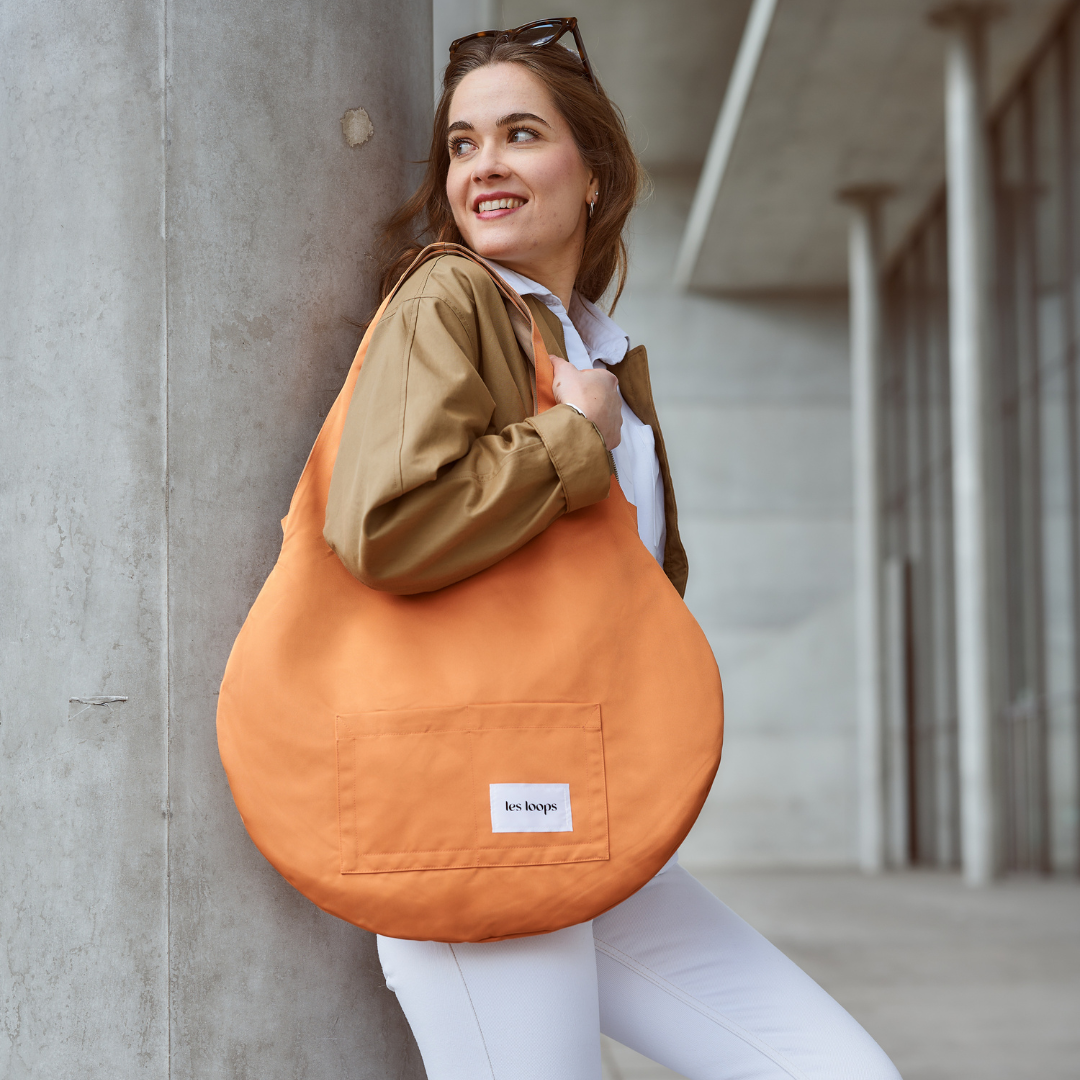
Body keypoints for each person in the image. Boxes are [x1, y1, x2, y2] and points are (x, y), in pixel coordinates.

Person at [323, 18, 903, 1080]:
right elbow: (388, 523)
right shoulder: (451, 299)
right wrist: (571, 435)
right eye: (461, 143)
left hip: (583, 819)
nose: (484, 165)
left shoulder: (597, 348)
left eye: (519, 134)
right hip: (475, 817)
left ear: (594, 171)